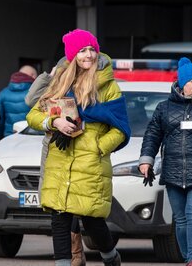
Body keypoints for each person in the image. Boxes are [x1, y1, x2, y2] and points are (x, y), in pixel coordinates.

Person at [26, 29, 131, 266]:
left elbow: (122, 128)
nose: (89, 55)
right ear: (73, 56)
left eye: (92, 49)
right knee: (59, 218)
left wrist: (98, 146)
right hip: (60, 160)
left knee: (92, 219)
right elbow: (33, 114)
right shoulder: (60, 84)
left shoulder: (108, 87)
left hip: (90, 162)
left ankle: (110, 256)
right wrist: (55, 122)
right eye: (82, 50)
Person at [139, 57, 192, 266]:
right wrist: (146, 160)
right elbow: (152, 135)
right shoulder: (164, 108)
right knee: (181, 219)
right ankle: (189, 258)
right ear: (181, 83)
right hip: (174, 170)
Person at [25, 62, 86, 266]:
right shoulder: (54, 85)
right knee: (56, 203)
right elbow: (31, 100)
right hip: (53, 146)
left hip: (79, 147)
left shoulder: (85, 85)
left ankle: (77, 252)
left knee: (73, 201)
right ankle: (71, 254)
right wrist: (48, 76)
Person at [0, 65, 37, 139]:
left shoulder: (3, 93)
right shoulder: (36, 93)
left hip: (9, 136)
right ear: (32, 75)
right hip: (32, 136)